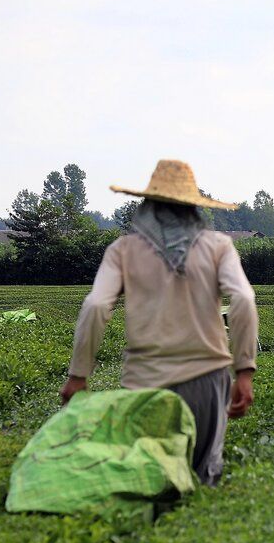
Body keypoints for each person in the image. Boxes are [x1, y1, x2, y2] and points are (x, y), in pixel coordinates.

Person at [61, 159, 258, 486]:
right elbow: (244, 299)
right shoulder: (217, 247)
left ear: (148, 206)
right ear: (193, 209)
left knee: (149, 480)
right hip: (206, 381)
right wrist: (245, 371)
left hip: (144, 385)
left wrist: (78, 375)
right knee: (202, 480)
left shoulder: (123, 250)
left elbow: (96, 305)